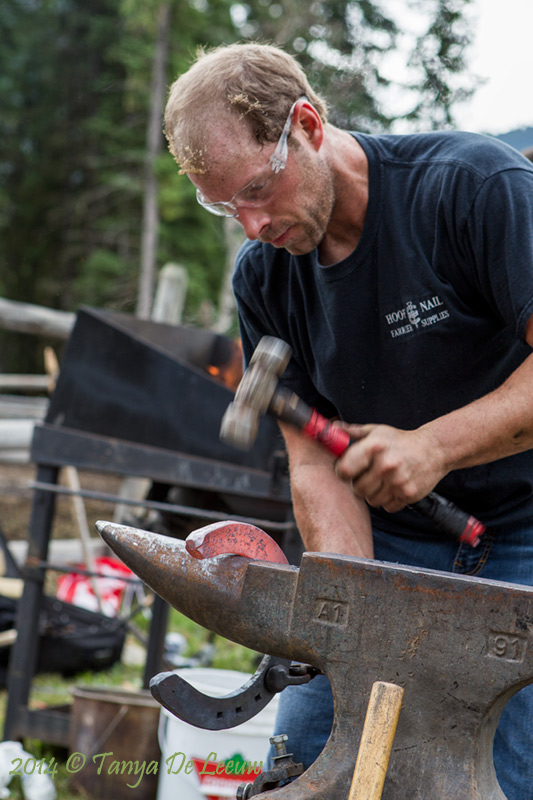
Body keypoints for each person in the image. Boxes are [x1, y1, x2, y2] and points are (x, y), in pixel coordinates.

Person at [164, 43, 533, 799]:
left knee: (490, 778)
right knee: (308, 766)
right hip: (390, 543)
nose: (252, 224)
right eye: (224, 206)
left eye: (258, 189)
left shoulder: (472, 188)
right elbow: (312, 463)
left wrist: (434, 447)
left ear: (306, 124)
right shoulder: (263, 277)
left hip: (526, 530)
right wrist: (356, 611)